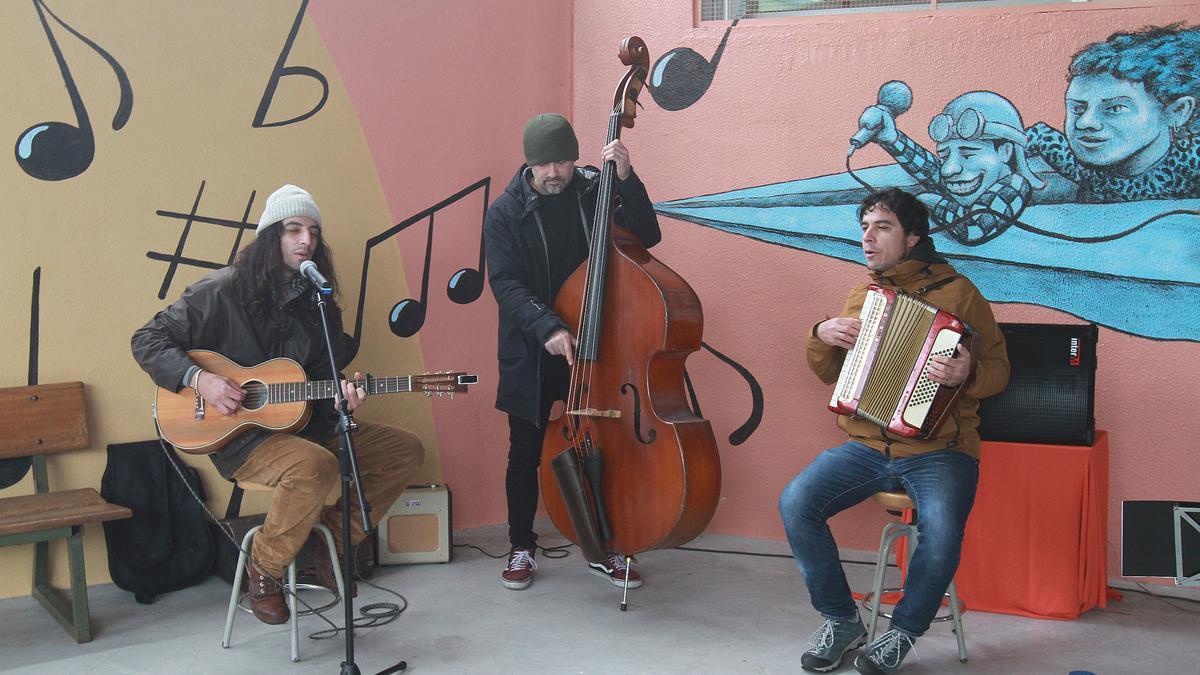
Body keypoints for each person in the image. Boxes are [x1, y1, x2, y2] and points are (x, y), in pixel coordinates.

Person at [132, 184, 426, 625]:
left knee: (404, 449)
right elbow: (147, 340)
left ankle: (333, 542)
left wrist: (344, 401)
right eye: (293, 229)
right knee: (315, 467)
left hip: (307, 427)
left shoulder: (321, 305)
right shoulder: (220, 291)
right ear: (271, 236)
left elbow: (323, 385)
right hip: (240, 439)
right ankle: (265, 568)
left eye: (311, 231)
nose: (305, 239)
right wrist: (202, 379)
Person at [779, 188, 1009, 674]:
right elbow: (830, 374)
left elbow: (999, 371)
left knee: (941, 530)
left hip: (940, 449)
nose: (867, 236)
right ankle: (841, 620)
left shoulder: (960, 292)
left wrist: (966, 372)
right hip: (867, 445)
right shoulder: (863, 295)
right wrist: (820, 333)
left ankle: (903, 632)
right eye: (864, 226)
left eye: (881, 227)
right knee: (797, 502)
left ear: (912, 239)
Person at [483, 113, 661, 590]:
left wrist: (626, 178)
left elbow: (648, 237)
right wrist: (548, 327)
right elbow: (505, 282)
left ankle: (604, 546)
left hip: (596, 344)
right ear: (529, 164)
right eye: (545, 164)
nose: (556, 172)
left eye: (563, 160)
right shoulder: (505, 212)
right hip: (533, 347)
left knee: (602, 446)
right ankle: (522, 546)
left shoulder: (594, 191)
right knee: (524, 452)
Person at [1025, 23, 1199, 202]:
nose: (1085, 122)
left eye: (1115, 109)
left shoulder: (1193, 164)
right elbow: (1037, 136)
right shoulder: (1078, 162)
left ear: (1177, 112)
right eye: (1077, 108)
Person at [856, 91, 1044, 245]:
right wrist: (893, 139)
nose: (948, 169)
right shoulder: (973, 178)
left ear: (1005, 151)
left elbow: (973, 228)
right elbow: (931, 170)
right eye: (945, 156)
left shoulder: (1015, 184)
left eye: (968, 154)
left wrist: (927, 200)